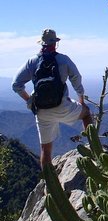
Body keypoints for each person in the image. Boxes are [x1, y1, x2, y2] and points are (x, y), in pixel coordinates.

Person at [12, 29, 92, 169]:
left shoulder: (32, 61)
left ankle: (50, 186)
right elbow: (76, 80)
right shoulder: (63, 59)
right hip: (63, 107)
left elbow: (16, 84)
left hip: (42, 111)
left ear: (41, 44)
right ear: (55, 43)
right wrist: (81, 100)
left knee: (46, 151)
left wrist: (29, 101)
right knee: (86, 113)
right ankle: (93, 148)